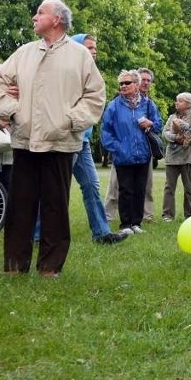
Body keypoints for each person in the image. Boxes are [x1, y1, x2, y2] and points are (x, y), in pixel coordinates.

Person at [0, 0, 105, 277]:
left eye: (40, 12)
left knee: (56, 206)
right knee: (20, 206)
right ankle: (15, 266)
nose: (34, 17)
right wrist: (14, 110)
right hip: (25, 140)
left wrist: (70, 121)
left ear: (56, 19)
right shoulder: (24, 53)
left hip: (61, 142)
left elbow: (95, 95)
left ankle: (50, 268)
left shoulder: (80, 56)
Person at [68, 34, 127, 245]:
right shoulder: (69, 73)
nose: (95, 51)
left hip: (82, 141)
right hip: (66, 139)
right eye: (90, 47)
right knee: (56, 189)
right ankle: (38, 233)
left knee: (92, 185)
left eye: (95, 48)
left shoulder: (90, 74)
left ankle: (101, 233)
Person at [101, 70, 159, 235]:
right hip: (123, 156)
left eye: (127, 83)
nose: (123, 86)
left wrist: (150, 123)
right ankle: (125, 224)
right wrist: (117, 148)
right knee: (125, 190)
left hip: (142, 155)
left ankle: (136, 223)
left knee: (140, 190)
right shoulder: (113, 106)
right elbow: (106, 131)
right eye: (121, 83)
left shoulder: (147, 104)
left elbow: (158, 123)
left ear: (136, 84)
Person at [162, 92, 191, 221]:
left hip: (189, 158)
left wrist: (187, 138)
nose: (177, 103)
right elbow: (165, 133)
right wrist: (176, 138)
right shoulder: (172, 117)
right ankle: (167, 215)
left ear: (188, 105)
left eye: (180, 101)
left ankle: (190, 215)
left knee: (189, 189)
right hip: (172, 157)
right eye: (177, 100)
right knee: (169, 187)